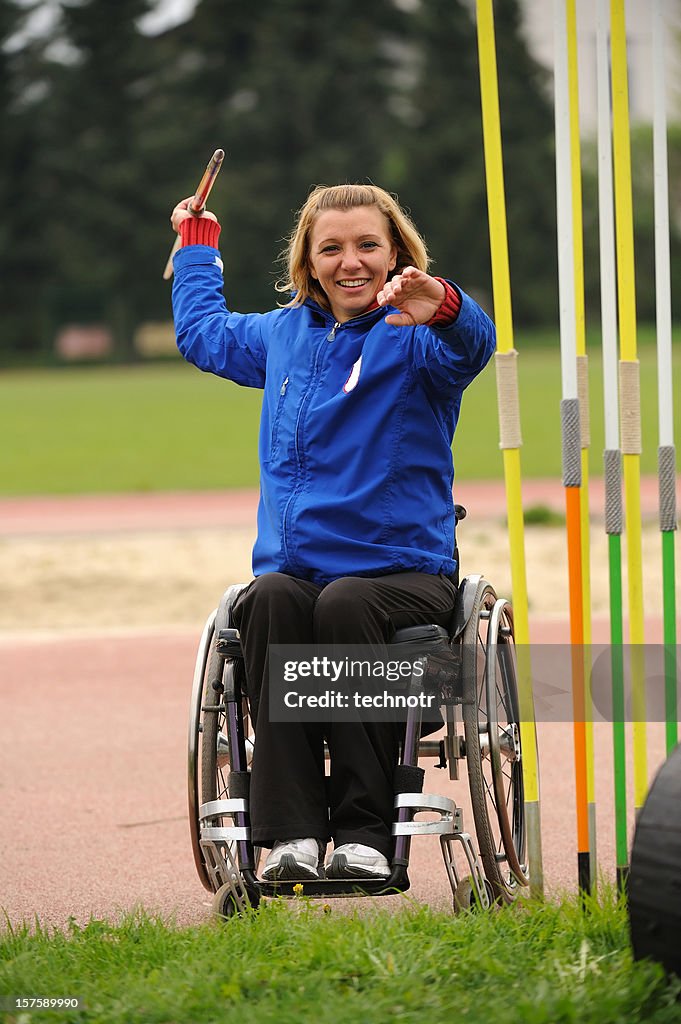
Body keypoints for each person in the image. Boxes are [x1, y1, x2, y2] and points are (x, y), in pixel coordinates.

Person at [170, 183, 495, 882]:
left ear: (395, 254)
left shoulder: (418, 337)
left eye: (367, 246)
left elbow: (472, 345)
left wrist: (441, 306)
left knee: (346, 601)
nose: (351, 262)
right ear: (308, 263)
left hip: (401, 574)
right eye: (332, 248)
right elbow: (203, 336)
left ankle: (363, 834)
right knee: (267, 601)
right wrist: (197, 248)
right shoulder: (283, 336)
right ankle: (287, 839)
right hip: (298, 571)